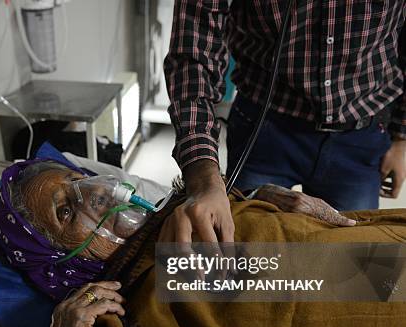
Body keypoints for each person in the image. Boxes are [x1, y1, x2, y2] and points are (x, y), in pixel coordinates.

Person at [0, 158, 406, 327]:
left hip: (371, 254)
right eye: (66, 212)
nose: (93, 194)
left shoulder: (177, 215)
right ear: (60, 264)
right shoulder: (118, 314)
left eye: (74, 179)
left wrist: (253, 198)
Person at [163, 0, 405, 246]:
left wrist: (402, 139)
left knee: (347, 265)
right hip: (263, 130)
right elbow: (193, 60)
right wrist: (204, 180)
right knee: (244, 260)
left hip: (360, 137)